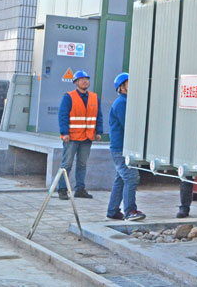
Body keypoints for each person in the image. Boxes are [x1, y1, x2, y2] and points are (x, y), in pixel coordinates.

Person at [57, 70, 103, 200]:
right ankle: (62, 189)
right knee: (67, 164)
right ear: (76, 82)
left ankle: (80, 189)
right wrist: (65, 133)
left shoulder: (94, 97)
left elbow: (98, 116)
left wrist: (99, 131)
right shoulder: (69, 97)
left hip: (87, 137)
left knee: (82, 164)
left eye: (87, 79)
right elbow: (63, 116)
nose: (85, 81)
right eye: (82, 79)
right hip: (71, 137)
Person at [106, 73, 145, 221]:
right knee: (131, 177)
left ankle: (113, 211)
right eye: (128, 83)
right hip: (121, 149)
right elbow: (129, 125)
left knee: (121, 179)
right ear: (122, 88)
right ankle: (130, 211)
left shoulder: (126, 101)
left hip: (121, 147)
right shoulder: (122, 103)